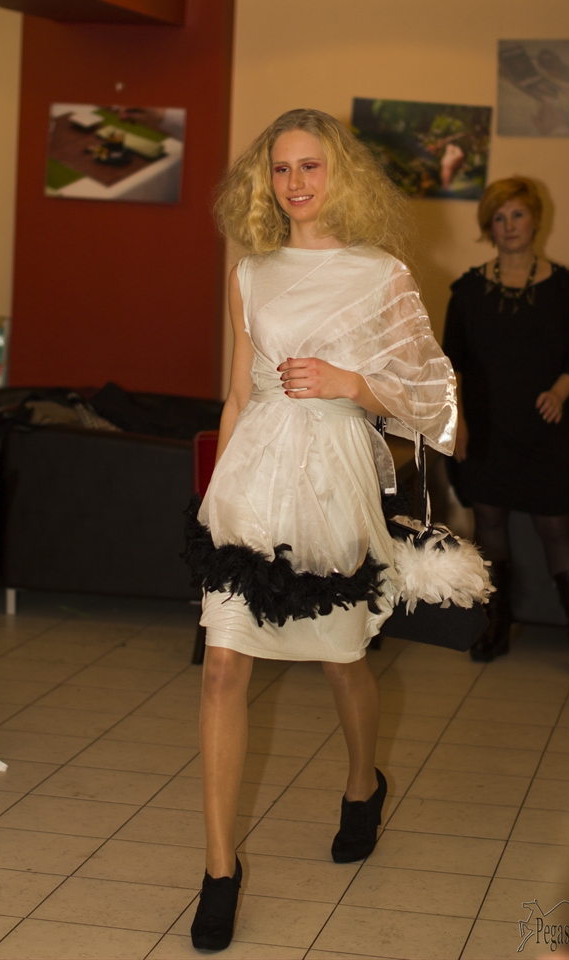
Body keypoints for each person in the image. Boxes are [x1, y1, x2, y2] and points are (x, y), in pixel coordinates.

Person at [184, 108, 456, 951]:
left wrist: (352, 383)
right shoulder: (251, 273)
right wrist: (213, 495)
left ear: (340, 172)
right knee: (221, 666)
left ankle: (362, 782)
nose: (293, 183)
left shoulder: (381, 274)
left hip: (333, 479)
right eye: (279, 169)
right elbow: (239, 393)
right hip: (252, 476)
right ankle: (219, 871)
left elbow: (435, 400)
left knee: (342, 660)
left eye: (308, 166)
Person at [442, 175, 569, 678]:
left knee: (556, 527)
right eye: (499, 217)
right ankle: (495, 627)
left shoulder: (566, 287)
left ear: (535, 221)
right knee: (489, 524)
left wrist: (561, 391)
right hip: (485, 428)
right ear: (489, 226)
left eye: (517, 215)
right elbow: (450, 364)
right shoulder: (467, 290)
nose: (508, 225)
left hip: (544, 426)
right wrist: (457, 423)